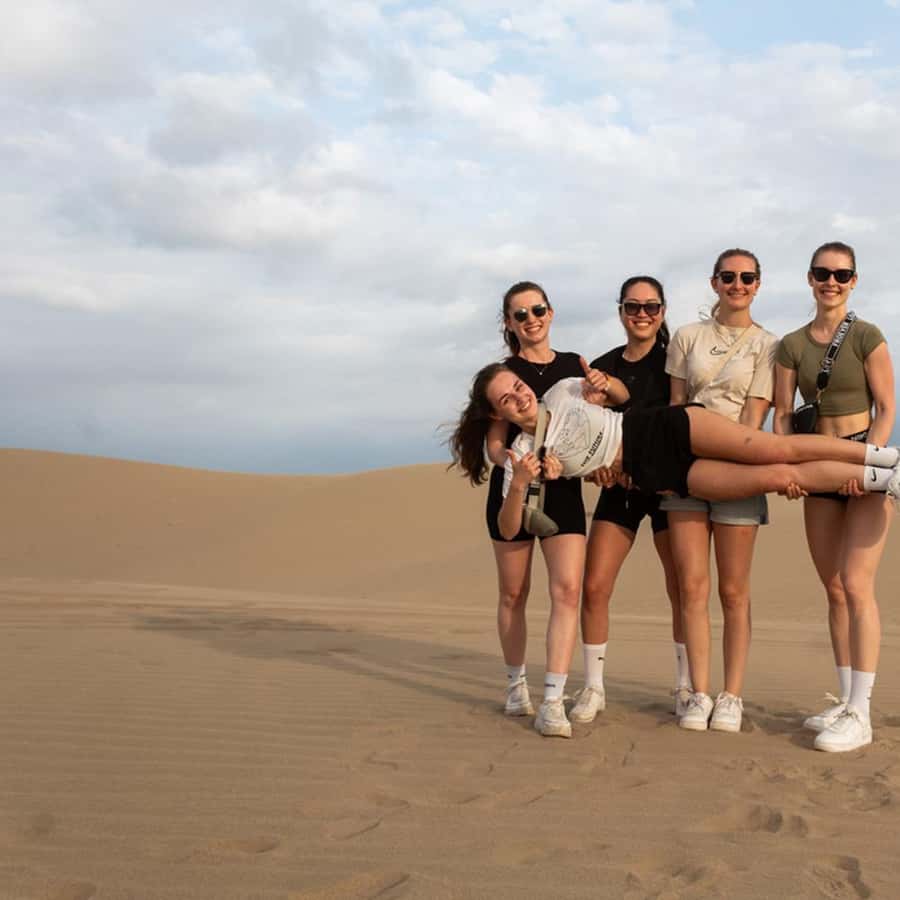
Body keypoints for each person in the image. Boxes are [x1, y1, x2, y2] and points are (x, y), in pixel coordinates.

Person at [449, 364, 900, 521]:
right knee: (779, 477)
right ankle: (882, 480)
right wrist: (523, 482)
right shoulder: (522, 455)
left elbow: (620, 398)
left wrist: (603, 385)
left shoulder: (562, 390)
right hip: (650, 472)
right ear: (497, 414)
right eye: (506, 399)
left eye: (517, 386)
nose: (519, 396)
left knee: (778, 448)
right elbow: (511, 525)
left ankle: (887, 457)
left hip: (659, 428)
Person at [468, 281, 614, 739]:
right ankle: (516, 686)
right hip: (515, 488)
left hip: (563, 488)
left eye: (537, 310)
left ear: (550, 312)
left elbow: (593, 423)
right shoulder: (503, 375)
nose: (530, 320)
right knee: (513, 593)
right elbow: (495, 443)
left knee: (567, 590)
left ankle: (552, 699)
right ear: (509, 324)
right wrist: (514, 464)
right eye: (520, 314)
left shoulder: (574, 365)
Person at [774, 241, 894, 753]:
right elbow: (783, 414)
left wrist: (867, 462)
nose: (831, 282)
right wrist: (788, 468)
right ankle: (845, 700)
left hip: (862, 464)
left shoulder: (867, 335)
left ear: (853, 281)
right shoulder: (791, 345)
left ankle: (861, 714)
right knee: (834, 588)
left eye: (841, 275)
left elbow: (886, 406)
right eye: (823, 273)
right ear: (810, 278)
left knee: (857, 583)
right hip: (815, 465)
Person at [663, 248, 778, 734]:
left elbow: (754, 417)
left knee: (733, 590)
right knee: (691, 586)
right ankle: (699, 691)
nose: (737, 285)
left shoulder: (767, 345)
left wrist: (727, 462)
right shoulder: (687, 337)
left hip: (736, 467)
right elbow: (676, 406)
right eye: (728, 277)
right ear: (714, 283)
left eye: (747, 278)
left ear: (758, 284)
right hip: (685, 470)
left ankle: (732, 695)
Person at [570, 276, 686, 724]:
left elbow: (688, 420)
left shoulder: (676, 360)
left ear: (662, 311)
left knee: (680, 587)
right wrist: (595, 467)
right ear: (620, 311)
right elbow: (587, 433)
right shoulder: (603, 366)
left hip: (668, 488)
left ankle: (685, 685)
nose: (642, 314)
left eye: (650, 307)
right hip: (619, 488)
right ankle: (593, 687)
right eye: (633, 306)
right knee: (595, 586)